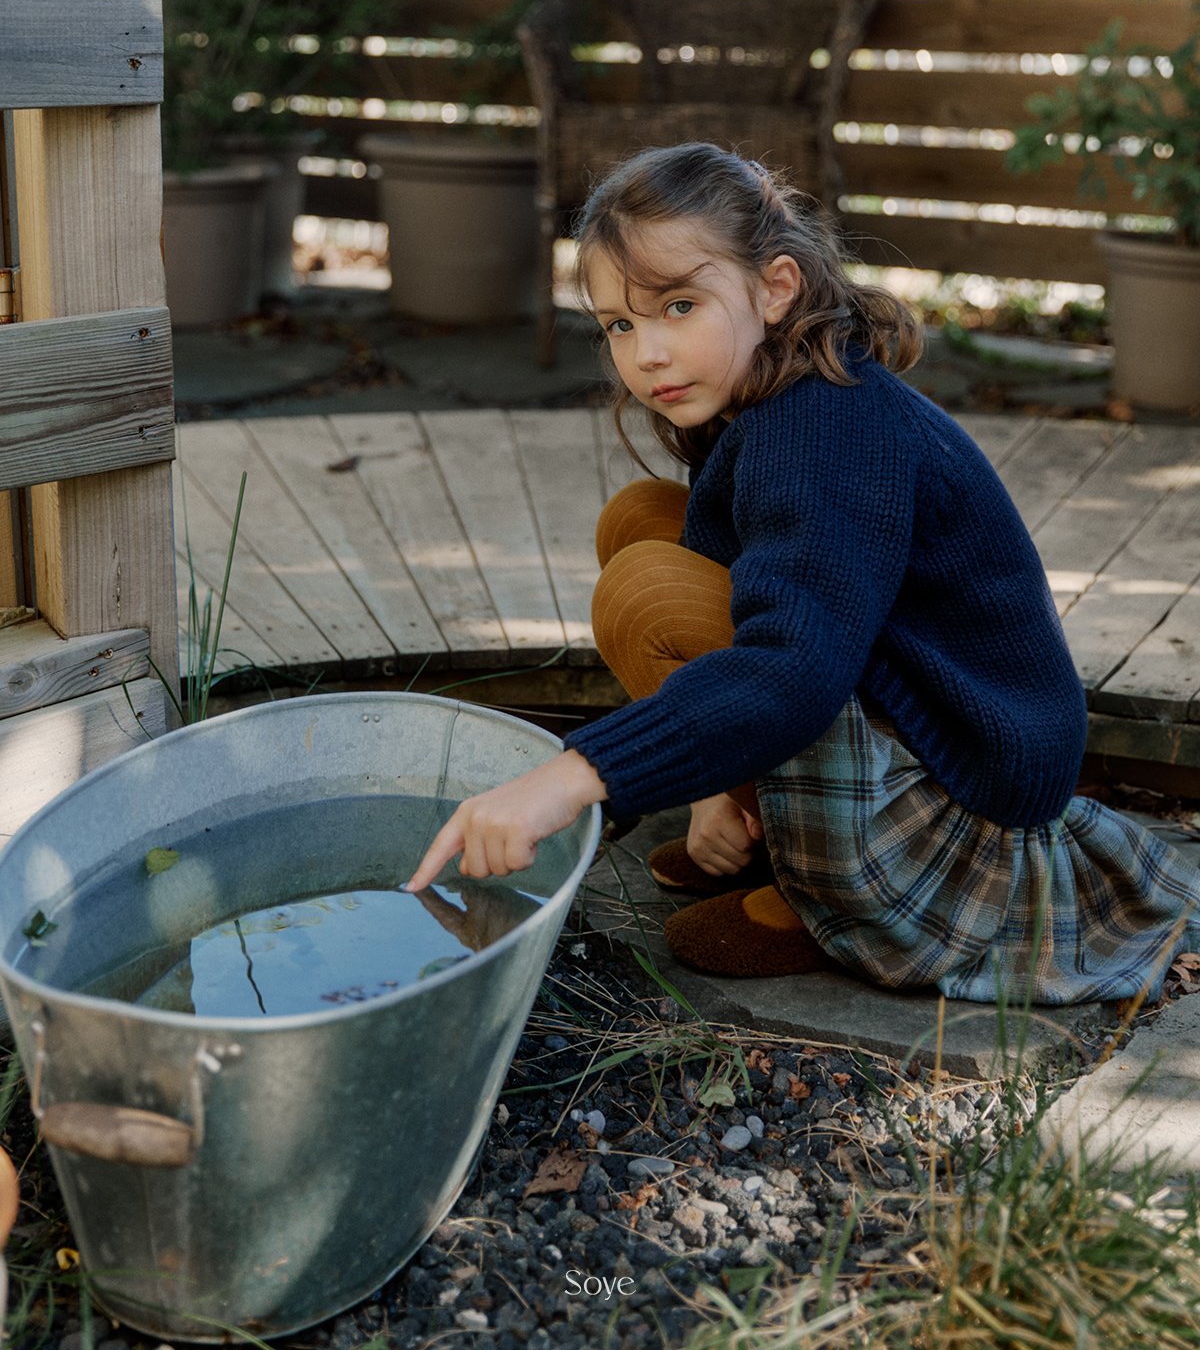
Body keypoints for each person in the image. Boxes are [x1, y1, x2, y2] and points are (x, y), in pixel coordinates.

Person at [407, 141, 1200, 1005]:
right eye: (621, 324)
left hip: (960, 803)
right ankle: (755, 815)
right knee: (641, 522)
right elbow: (756, 582)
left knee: (649, 596)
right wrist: (715, 786)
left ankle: (817, 894)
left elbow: (791, 666)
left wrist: (563, 781)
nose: (648, 354)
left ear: (776, 288)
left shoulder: (824, 427)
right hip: (897, 703)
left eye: (679, 305)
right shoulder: (782, 386)